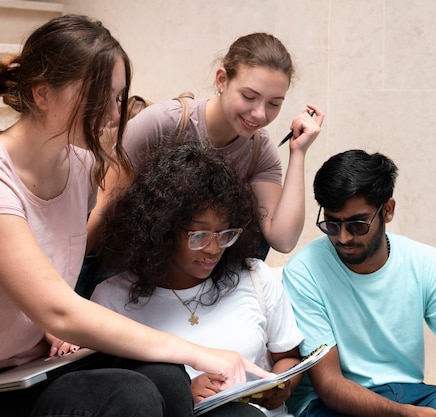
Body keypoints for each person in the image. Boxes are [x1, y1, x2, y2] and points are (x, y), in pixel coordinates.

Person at [0, 14, 268, 417]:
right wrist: (202, 352)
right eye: (99, 97)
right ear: (41, 93)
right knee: (132, 394)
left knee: (165, 375)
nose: (112, 113)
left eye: (118, 97)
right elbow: (56, 305)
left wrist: (48, 325)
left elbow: (52, 284)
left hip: (41, 366)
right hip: (7, 382)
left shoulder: (82, 167)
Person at [281, 149, 436, 417]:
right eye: (332, 225)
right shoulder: (305, 271)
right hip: (330, 403)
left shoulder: (425, 262)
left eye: (357, 225)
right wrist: (402, 414)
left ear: (387, 210)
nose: (343, 238)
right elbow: (329, 383)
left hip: (410, 394)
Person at [91, 139, 304, 417]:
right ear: (162, 230)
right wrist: (181, 395)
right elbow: (117, 396)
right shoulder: (112, 299)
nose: (213, 249)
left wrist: (281, 384)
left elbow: (287, 357)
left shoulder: (254, 276)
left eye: (225, 233)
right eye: (199, 235)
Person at [85, 31, 325, 263]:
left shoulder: (260, 151)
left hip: (203, 277)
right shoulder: (162, 123)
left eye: (274, 103)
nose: (260, 114)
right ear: (222, 80)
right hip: (136, 264)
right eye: (249, 97)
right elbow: (103, 209)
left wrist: (298, 152)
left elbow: (282, 240)